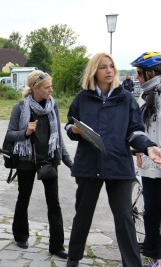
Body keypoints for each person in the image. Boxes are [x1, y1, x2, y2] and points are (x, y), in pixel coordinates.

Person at [64, 52, 161, 267]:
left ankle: (132, 264)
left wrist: (149, 147)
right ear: (93, 72)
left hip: (118, 165)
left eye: (111, 66)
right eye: (103, 67)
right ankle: (73, 258)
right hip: (88, 165)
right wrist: (74, 129)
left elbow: (135, 131)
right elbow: (70, 125)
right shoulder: (83, 97)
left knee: (125, 218)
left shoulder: (125, 98)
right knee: (83, 215)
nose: (109, 70)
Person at [4, 70, 73, 258]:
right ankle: (20, 236)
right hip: (26, 159)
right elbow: (10, 134)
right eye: (47, 87)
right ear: (35, 88)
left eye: (51, 86)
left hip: (49, 159)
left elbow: (58, 137)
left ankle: (57, 246)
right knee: (23, 198)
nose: (51, 90)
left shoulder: (53, 106)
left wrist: (69, 162)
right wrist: (25, 132)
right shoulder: (20, 108)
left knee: (54, 203)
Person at [131, 52, 161, 267]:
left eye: (140, 74)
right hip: (151, 160)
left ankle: (157, 256)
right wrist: (141, 150)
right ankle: (152, 247)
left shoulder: (155, 94)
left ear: (151, 73)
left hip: (157, 160)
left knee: (152, 211)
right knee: (151, 209)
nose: (138, 78)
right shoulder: (146, 94)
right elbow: (143, 128)